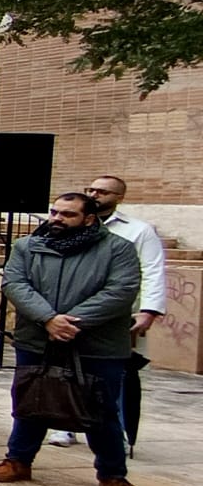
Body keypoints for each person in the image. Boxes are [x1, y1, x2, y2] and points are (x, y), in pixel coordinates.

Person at [0, 192, 145, 486]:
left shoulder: (117, 249)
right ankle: (18, 459)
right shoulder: (28, 246)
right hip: (38, 339)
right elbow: (15, 284)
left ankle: (113, 476)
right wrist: (48, 319)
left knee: (101, 410)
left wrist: (70, 322)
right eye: (54, 212)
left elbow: (121, 291)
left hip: (96, 345)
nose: (57, 219)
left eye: (68, 214)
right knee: (31, 401)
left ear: (89, 219)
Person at [78, 175, 165, 452]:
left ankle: (121, 434)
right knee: (68, 368)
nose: (94, 195)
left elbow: (152, 270)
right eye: (91, 189)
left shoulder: (139, 231)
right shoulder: (74, 223)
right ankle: (65, 426)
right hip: (74, 309)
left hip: (120, 313)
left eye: (102, 191)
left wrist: (149, 310)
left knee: (120, 373)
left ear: (119, 198)